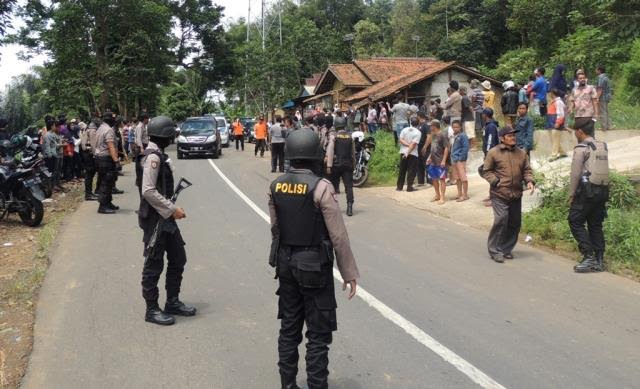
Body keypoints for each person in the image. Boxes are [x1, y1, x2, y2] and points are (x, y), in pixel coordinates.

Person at [268, 128, 359, 389]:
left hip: (286, 265)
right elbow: (338, 235)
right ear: (314, 156)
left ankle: (288, 384)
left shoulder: (275, 186)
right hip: (314, 268)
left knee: (289, 329)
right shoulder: (321, 187)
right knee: (318, 335)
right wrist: (349, 272)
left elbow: (276, 229)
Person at [138, 115, 196, 325]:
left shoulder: (158, 154)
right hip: (155, 220)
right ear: (165, 135)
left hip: (165, 219)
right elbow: (148, 191)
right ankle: (152, 309)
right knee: (153, 264)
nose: (173, 137)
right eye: (171, 134)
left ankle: (172, 301)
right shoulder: (153, 157)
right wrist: (172, 209)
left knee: (178, 257)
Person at [481, 127, 535, 263]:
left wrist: (529, 181)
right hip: (499, 193)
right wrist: (495, 181)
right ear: (502, 138)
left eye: (513, 135)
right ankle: (494, 250)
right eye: (509, 136)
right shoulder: (493, 153)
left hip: (516, 194)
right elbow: (486, 171)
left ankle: (506, 249)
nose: (513, 137)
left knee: (515, 223)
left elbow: (527, 170)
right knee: (501, 220)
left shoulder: (521, 153)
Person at [568, 118, 609, 273]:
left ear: (580, 131)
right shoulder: (602, 146)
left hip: (587, 192)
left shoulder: (581, 149)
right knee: (595, 224)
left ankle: (588, 255)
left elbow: (575, 174)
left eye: (575, 132)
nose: (574, 135)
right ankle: (599, 260)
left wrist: (571, 194)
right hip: (603, 191)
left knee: (574, 220)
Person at [324, 116, 355, 216]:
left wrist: (329, 166)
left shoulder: (334, 137)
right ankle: (349, 207)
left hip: (336, 165)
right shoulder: (350, 137)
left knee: (332, 186)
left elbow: (330, 151)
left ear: (336, 126)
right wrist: (353, 165)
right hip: (347, 165)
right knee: (348, 187)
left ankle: (332, 207)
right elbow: (353, 153)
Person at [94, 112, 121, 214]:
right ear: (109, 120)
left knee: (107, 182)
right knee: (106, 182)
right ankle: (103, 206)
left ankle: (108, 203)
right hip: (106, 158)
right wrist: (116, 161)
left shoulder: (100, 128)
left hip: (99, 158)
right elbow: (111, 146)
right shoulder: (108, 130)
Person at [426, 119, 449, 205]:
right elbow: (433, 148)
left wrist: (444, 160)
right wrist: (429, 157)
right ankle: (437, 195)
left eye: (431, 126)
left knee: (442, 179)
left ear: (434, 126)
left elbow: (446, 148)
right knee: (434, 178)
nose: (430, 127)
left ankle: (442, 197)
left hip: (440, 161)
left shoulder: (443, 135)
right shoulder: (433, 135)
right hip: (433, 161)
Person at [396, 117, 421, 193]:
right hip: (412, 153)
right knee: (411, 170)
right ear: (418, 123)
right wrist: (408, 151)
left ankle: (399, 187)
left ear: (410, 122)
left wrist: (406, 146)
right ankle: (409, 187)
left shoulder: (404, 129)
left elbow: (400, 139)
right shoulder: (418, 132)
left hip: (403, 152)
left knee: (402, 170)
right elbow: (413, 144)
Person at [546, 88, 568, 161]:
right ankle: (562, 153)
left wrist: (558, 123)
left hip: (556, 123)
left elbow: (561, 114)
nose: (548, 95)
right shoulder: (554, 102)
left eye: (549, 93)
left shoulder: (558, 102)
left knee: (555, 140)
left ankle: (554, 155)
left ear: (552, 94)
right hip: (552, 122)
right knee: (555, 139)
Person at [450, 120, 469, 202]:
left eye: (457, 127)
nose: (455, 128)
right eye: (453, 127)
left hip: (460, 159)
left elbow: (466, 147)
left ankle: (465, 195)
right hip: (454, 159)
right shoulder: (454, 136)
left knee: (463, 178)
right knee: (457, 178)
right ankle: (459, 194)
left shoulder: (463, 136)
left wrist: (461, 158)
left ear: (460, 127)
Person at [79, 121, 98, 201]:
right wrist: (95, 155)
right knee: (90, 174)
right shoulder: (92, 131)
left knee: (89, 175)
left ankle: (89, 193)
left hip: (85, 154)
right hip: (89, 154)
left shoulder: (86, 131)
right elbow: (93, 145)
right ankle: (88, 194)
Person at [134, 113, 150, 198]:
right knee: (141, 165)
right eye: (147, 118)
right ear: (144, 119)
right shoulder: (140, 127)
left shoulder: (143, 126)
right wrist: (141, 148)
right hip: (142, 146)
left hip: (145, 146)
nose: (148, 120)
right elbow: (138, 138)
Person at [416, 111, 431, 186]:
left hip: (425, 147)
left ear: (418, 116)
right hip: (418, 147)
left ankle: (430, 181)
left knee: (427, 164)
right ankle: (420, 181)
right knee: (419, 164)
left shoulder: (426, 125)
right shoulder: (419, 125)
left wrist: (425, 147)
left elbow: (429, 136)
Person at [595, 65, 611, 131]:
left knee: (602, 112)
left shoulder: (600, 77)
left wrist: (597, 97)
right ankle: (608, 126)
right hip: (607, 96)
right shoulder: (606, 77)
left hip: (602, 97)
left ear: (599, 70)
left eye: (596, 69)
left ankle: (604, 127)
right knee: (606, 111)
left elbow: (600, 88)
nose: (595, 71)